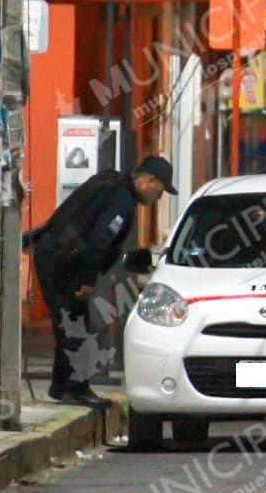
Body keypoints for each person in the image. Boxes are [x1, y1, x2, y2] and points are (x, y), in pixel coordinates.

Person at [31, 155, 177, 407]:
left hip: (57, 254)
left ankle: (62, 387)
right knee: (73, 323)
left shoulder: (113, 184)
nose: (158, 199)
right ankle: (75, 389)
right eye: (160, 191)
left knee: (73, 320)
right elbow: (101, 240)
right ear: (149, 181)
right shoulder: (122, 199)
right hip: (61, 260)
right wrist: (87, 280)